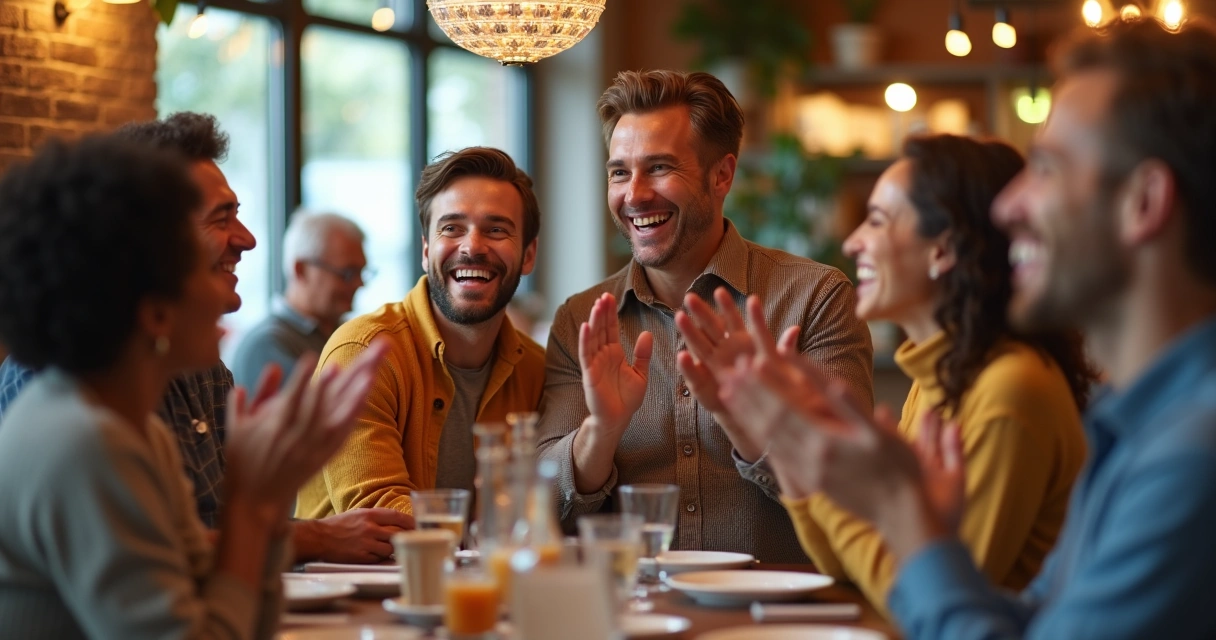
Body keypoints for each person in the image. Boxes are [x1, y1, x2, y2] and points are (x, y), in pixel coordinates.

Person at [714, 18, 1216, 639]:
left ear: (1143, 203)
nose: (1010, 208)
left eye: (1050, 168)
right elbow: (1031, 621)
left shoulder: (1190, 456)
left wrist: (906, 519)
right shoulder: (1131, 422)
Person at [678, 134, 1096, 614]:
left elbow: (930, 596)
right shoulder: (937, 376)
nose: (853, 241)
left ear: (943, 249)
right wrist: (785, 440)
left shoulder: (1010, 389)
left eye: (877, 221)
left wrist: (799, 434)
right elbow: (847, 564)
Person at [0, 134, 387, 638]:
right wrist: (254, 508)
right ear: (155, 311)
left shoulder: (131, 429)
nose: (227, 296)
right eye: (196, 270)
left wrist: (261, 508)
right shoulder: (83, 441)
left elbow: (237, 617)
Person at [534, 70, 874, 563]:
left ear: (722, 175)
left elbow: (855, 489)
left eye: (659, 168)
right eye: (619, 172)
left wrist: (748, 422)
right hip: (633, 619)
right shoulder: (582, 319)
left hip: (780, 621)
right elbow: (539, 503)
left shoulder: (815, 298)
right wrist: (600, 431)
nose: (634, 195)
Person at [296, 147, 546, 519]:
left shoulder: (538, 370)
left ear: (528, 255)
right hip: (357, 578)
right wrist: (491, 541)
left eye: (496, 229)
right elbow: (379, 515)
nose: (472, 246)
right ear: (427, 250)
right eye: (451, 228)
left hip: (478, 578)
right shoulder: (361, 353)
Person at [231, 209, 370, 390]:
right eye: (348, 273)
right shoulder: (266, 346)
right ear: (301, 270)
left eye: (362, 272)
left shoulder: (344, 333)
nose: (360, 284)